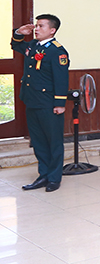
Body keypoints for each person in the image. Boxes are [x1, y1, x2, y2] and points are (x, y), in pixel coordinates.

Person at [11, 15, 69, 192]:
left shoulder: (58, 51)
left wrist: (60, 103)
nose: (36, 29)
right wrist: (19, 32)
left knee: (53, 142)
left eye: (41, 26)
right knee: (38, 141)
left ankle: (54, 178)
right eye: (36, 26)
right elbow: (16, 45)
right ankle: (43, 175)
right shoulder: (34, 45)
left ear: (52, 30)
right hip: (32, 101)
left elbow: (61, 79)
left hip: (49, 104)